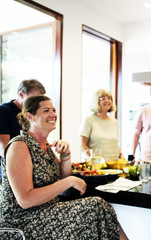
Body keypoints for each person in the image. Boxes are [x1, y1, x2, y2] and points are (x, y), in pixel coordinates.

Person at [0, 95, 128, 239]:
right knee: (96, 207)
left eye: (54, 110)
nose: (53, 114)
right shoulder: (20, 146)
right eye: (46, 110)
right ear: (30, 116)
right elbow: (25, 200)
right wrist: (69, 181)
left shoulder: (45, 146)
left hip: (47, 212)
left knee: (99, 209)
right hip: (23, 221)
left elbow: (63, 176)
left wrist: (66, 155)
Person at [0, 79, 45, 180]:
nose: (35, 103)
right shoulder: (3, 111)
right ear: (21, 94)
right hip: (12, 167)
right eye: (33, 98)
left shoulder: (32, 113)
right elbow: (3, 148)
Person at [80, 89, 123, 160]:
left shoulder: (115, 122)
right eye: (103, 98)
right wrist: (95, 159)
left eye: (109, 98)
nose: (107, 101)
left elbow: (114, 144)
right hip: (97, 165)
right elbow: (82, 145)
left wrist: (121, 155)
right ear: (96, 102)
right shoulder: (89, 119)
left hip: (114, 165)